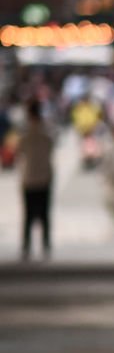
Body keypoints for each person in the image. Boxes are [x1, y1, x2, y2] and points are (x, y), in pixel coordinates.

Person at [16, 98, 55, 261]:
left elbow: (20, 150)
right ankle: (45, 245)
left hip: (29, 177)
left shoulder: (25, 132)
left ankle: (27, 246)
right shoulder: (47, 130)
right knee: (45, 213)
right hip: (44, 176)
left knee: (28, 214)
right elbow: (51, 146)